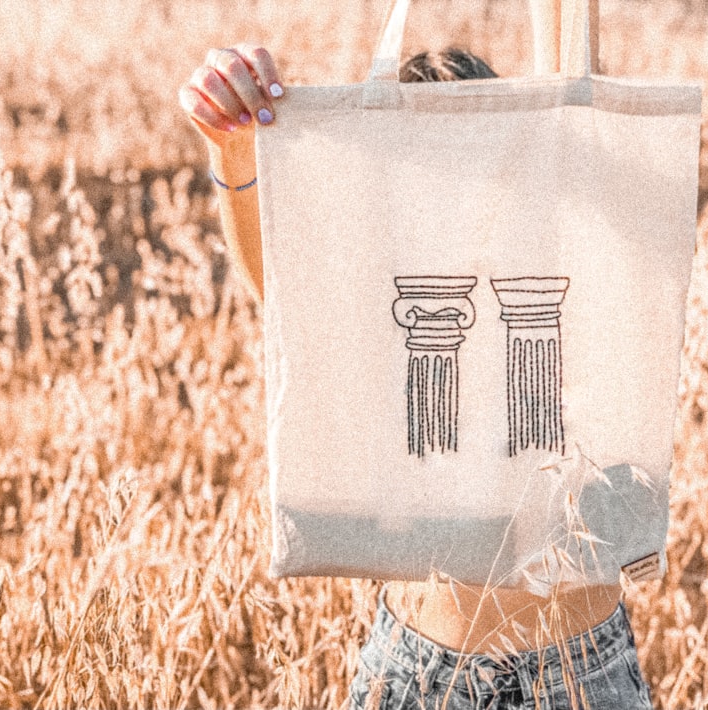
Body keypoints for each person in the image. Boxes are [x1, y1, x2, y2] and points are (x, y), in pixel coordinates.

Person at [179, 45, 653, 710]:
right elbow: (284, 292)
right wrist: (233, 153)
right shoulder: (382, 312)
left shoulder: (572, 279)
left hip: (582, 678)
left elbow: (595, 108)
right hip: (421, 674)